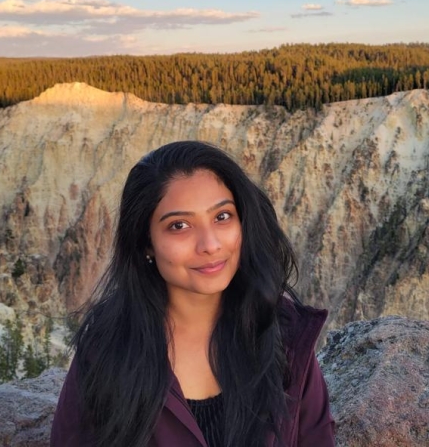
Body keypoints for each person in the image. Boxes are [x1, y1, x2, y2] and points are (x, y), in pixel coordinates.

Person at [51, 140, 335, 447]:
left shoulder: (285, 336)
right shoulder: (108, 349)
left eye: (222, 217)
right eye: (179, 225)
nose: (210, 244)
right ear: (146, 242)